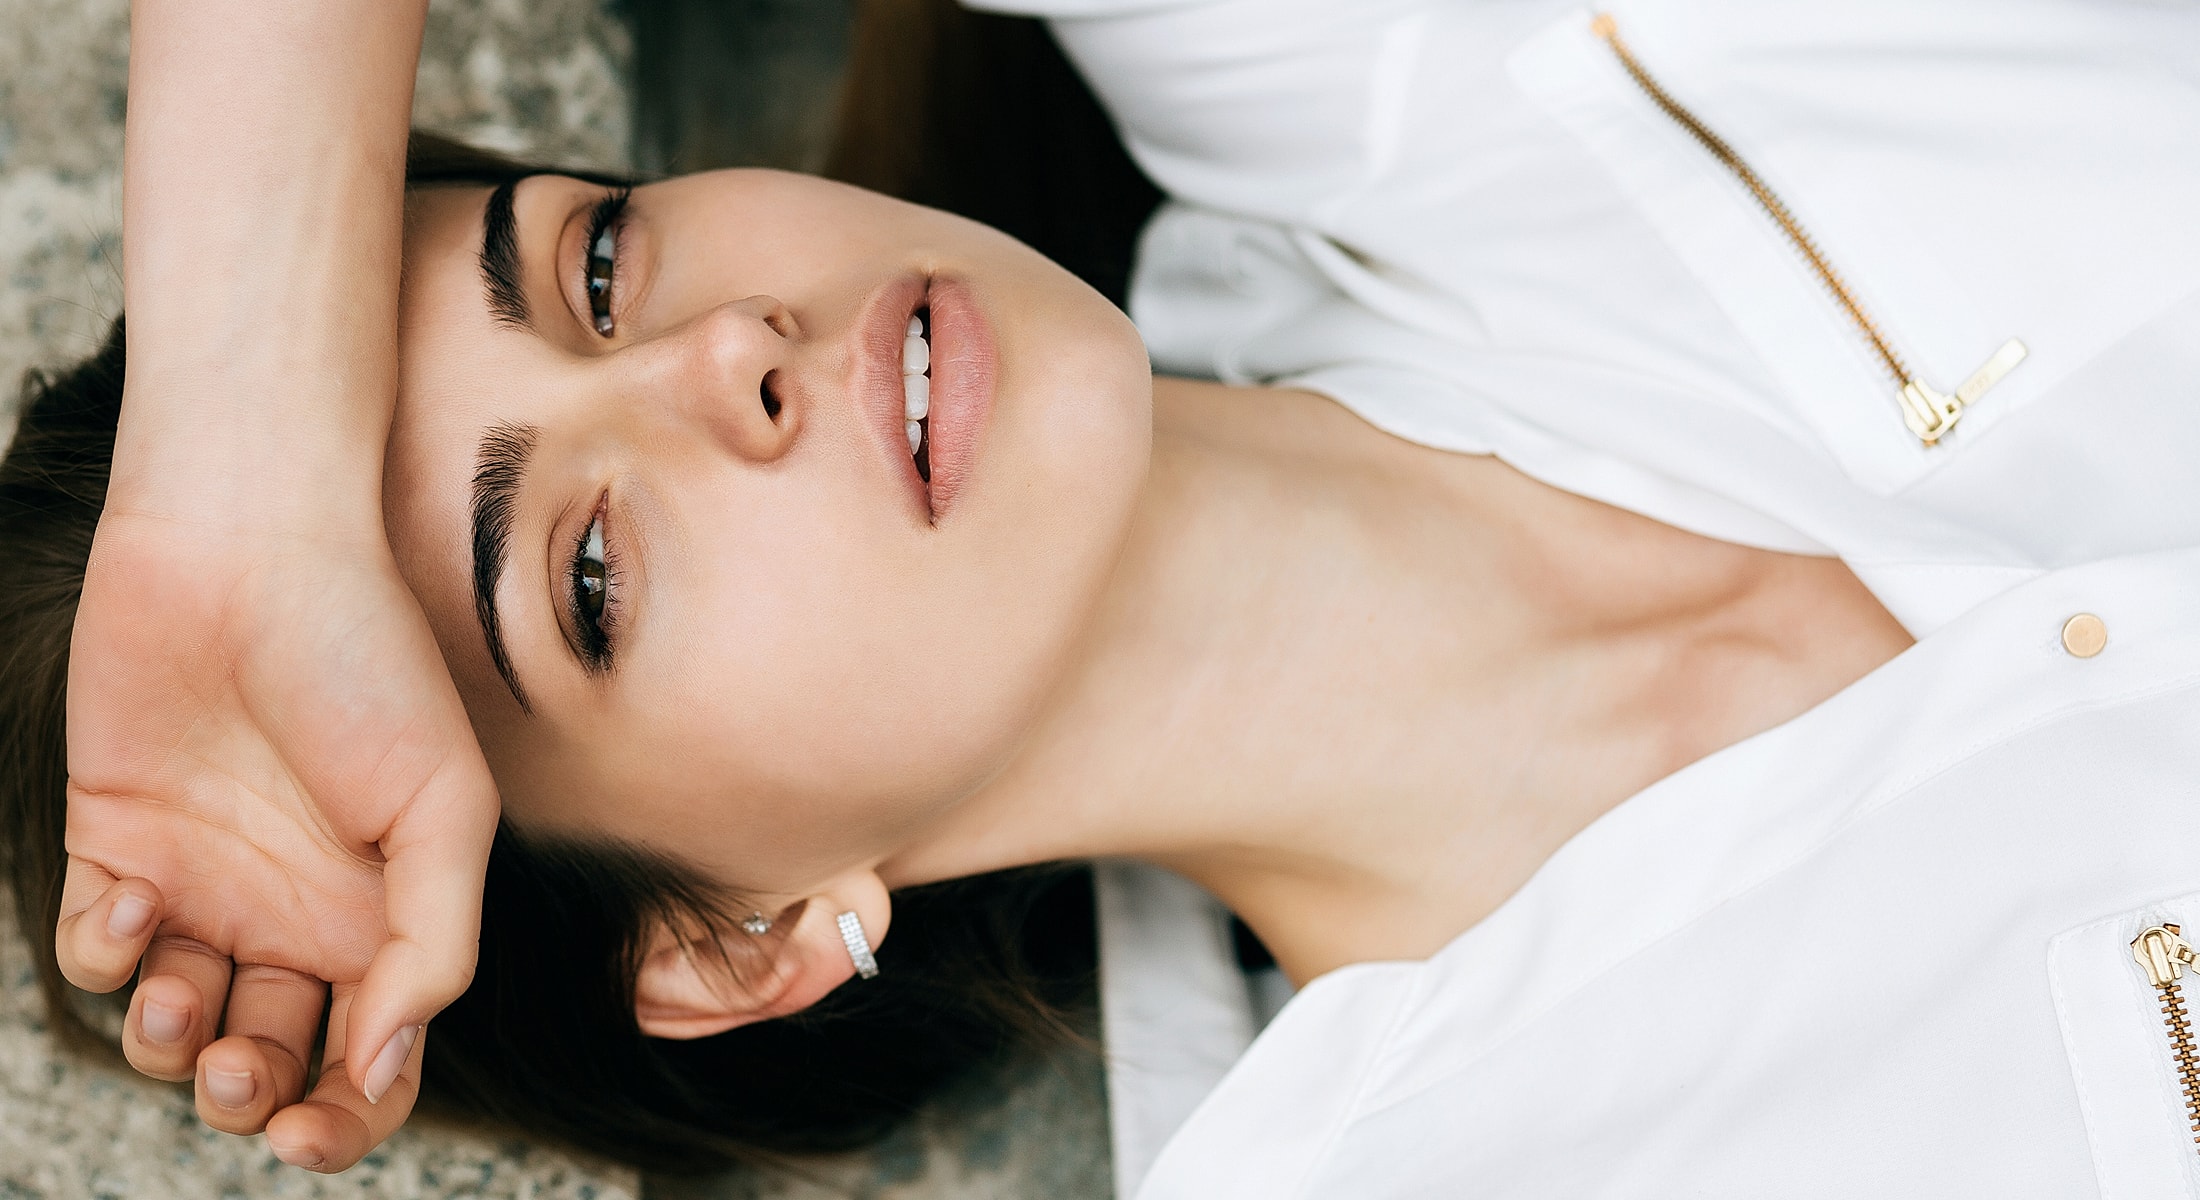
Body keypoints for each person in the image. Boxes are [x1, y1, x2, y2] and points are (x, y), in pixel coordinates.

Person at [24, 0, 2200, 1189]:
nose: (720, 356)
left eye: (594, 264)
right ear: (739, 941)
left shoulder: (1372, 64)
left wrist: (240, 470)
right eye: (585, 575)